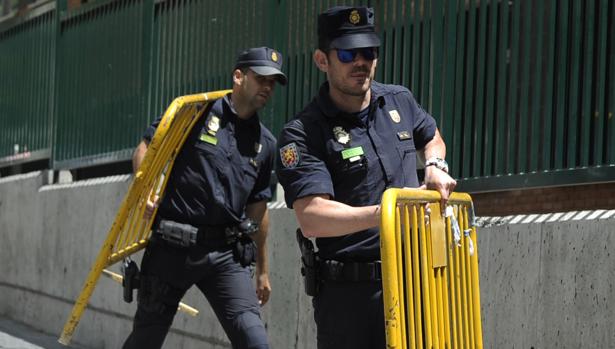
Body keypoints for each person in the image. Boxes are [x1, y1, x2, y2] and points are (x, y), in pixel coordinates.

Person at [275, 6, 456, 349]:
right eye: (347, 53)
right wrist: (389, 213)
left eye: (369, 52)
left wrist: (435, 164)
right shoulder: (303, 132)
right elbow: (312, 217)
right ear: (321, 60)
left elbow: (432, 137)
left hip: (416, 280)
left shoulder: (399, 100)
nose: (361, 61)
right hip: (351, 298)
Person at [123, 46, 287, 349]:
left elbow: (258, 208)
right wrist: (146, 189)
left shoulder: (266, 143)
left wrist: (263, 270)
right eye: (261, 78)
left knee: (255, 341)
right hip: (172, 246)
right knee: (146, 338)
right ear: (238, 76)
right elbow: (147, 147)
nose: (267, 87)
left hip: (224, 255)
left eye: (273, 82)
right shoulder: (195, 111)